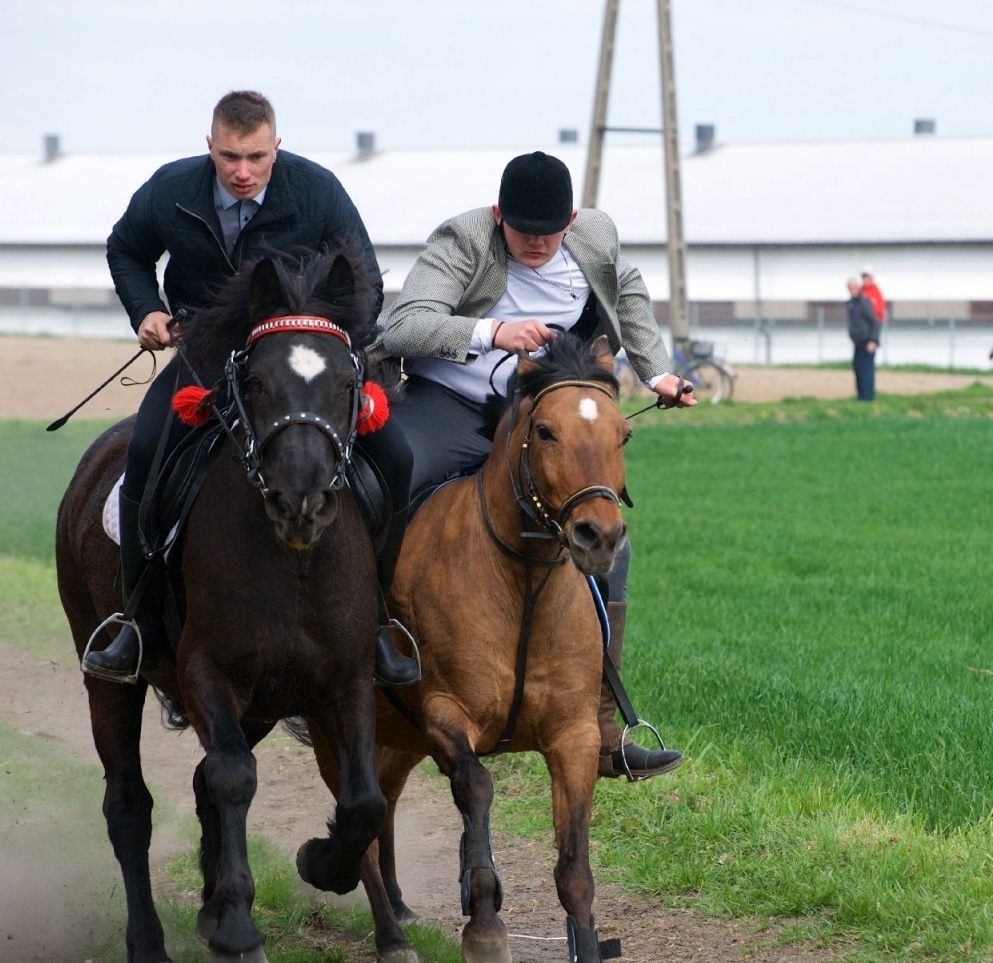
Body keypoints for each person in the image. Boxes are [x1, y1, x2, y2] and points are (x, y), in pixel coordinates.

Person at [370, 150, 697, 781]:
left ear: (572, 219)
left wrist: (657, 371)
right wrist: (494, 333)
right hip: (454, 406)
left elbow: (628, 295)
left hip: (542, 422)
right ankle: (365, 648)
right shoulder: (464, 238)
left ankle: (606, 728)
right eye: (523, 233)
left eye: (550, 232)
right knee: (388, 481)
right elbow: (405, 325)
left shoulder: (594, 237)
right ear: (498, 218)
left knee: (609, 537)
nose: (538, 244)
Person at [82, 90, 418, 687]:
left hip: (300, 363)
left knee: (397, 455)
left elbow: (362, 279)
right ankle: (137, 625)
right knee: (142, 452)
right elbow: (126, 248)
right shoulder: (170, 189)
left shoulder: (317, 190)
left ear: (276, 148)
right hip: (208, 355)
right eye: (230, 157)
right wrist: (146, 310)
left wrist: (329, 351)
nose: (243, 172)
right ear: (209, 146)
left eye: (257, 157)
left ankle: (382, 621)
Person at [846, 278, 880, 401]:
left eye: (855, 288)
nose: (853, 290)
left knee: (866, 372)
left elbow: (874, 322)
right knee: (858, 369)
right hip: (858, 342)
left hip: (867, 342)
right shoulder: (851, 303)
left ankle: (867, 398)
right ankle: (861, 397)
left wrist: (874, 340)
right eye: (850, 288)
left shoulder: (864, 303)